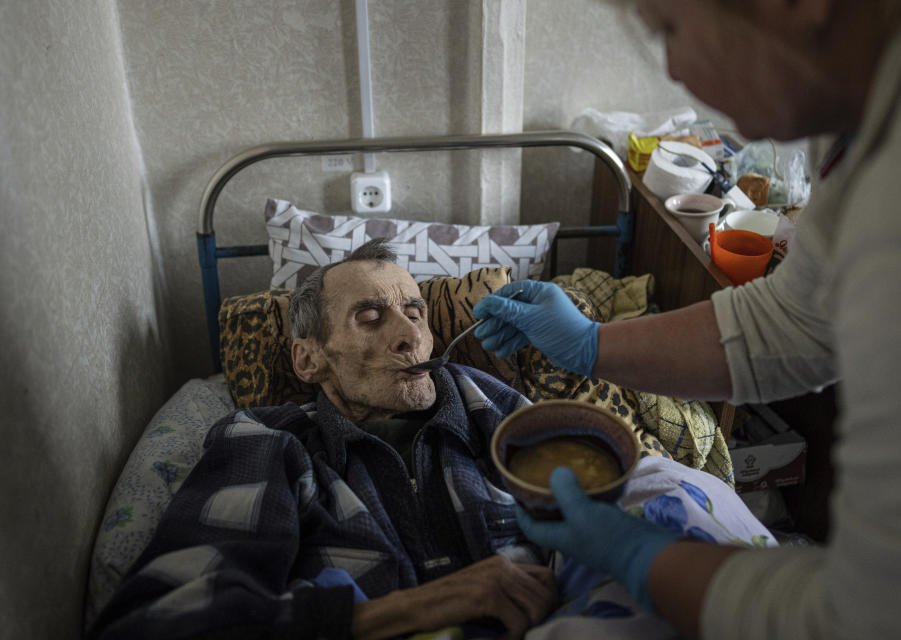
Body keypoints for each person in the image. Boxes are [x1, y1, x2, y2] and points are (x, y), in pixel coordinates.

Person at [473, 0, 901, 638]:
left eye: (670, 28)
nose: (672, 68)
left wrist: (642, 558)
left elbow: (880, 617)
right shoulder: (867, 107)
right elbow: (797, 319)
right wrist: (591, 344)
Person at [91, 239, 559, 640]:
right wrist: (396, 613)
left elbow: (608, 509)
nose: (409, 335)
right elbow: (156, 623)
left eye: (416, 312)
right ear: (309, 359)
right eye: (371, 317)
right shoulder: (270, 442)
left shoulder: (490, 407)